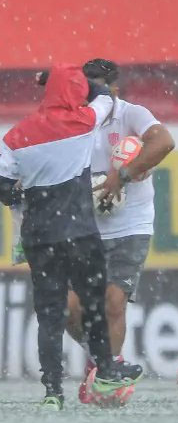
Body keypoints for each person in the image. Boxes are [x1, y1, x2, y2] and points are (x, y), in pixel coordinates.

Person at [0, 64, 141, 410]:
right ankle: (108, 369)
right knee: (94, 309)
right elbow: (104, 97)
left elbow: (1, 184)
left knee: (50, 316)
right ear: (75, 93)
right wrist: (56, 80)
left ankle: (52, 390)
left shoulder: (17, 134)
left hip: (40, 236)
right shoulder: (85, 121)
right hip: (81, 233)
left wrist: (21, 198)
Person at [66, 59, 174, 404]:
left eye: (96, 89)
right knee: (68, 308)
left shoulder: (132, 115)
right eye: (84, 90)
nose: (89, 97)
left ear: (113, 90)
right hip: (85, 225)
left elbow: (164, 142)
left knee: (113, 303)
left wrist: (124, 174)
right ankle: (106, 361)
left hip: (131, 223)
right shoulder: (74, 121)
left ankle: (106, 382)